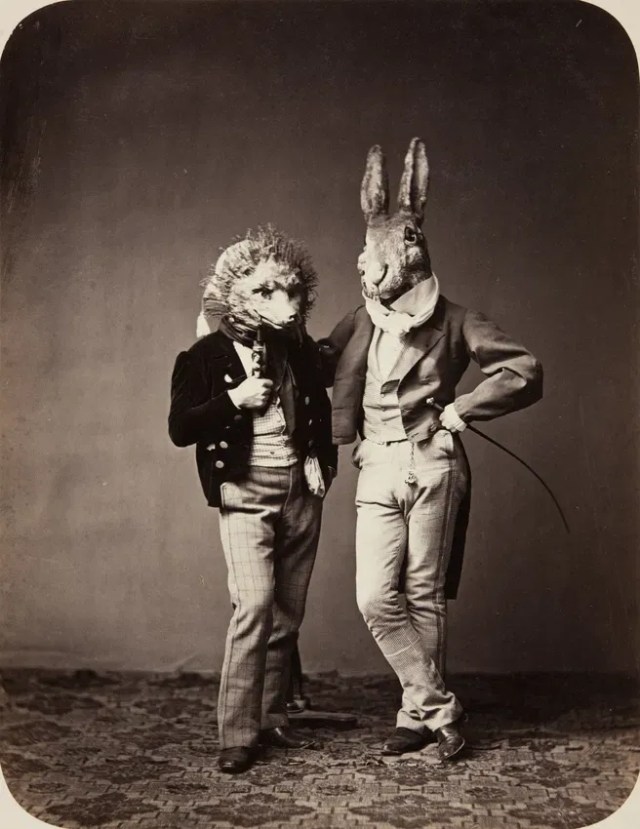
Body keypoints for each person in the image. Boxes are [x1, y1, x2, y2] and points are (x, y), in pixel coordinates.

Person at [319, 139, 543, 761]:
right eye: (372, 251)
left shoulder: (458, 319)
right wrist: (249, 335)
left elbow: (523, 370)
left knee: (422, 592)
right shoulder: (361, 319)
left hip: (433, 463)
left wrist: (462, 409)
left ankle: (413, 718)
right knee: (374, 596)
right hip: (376, 461)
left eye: (399, 246)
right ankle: (440, 707)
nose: (378, 264)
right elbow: (318, 364)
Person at [169, 227, 336, 774]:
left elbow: (323, 396)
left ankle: (270, 717)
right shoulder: (203, 355)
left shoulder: (298, 348)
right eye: (266, 291)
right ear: (236, 292)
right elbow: (180, 428)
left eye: (291, 291)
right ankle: (237, 735)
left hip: (301, 490)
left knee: (288, 612)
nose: (286, 305)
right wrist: (234, 400)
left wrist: (318, 459)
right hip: (245, 489)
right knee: (255, 604)